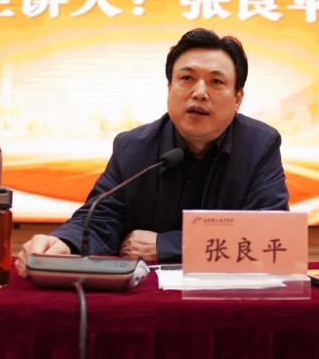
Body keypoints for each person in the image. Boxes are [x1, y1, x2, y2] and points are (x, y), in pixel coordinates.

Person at [15, 28, 289, 277]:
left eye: (216, 82)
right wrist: (64, 243)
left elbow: (272, 235)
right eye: (187, 78)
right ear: (169, 87)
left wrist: (166, 245)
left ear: (238, 98)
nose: (199, 92)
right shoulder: (133, 147)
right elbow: (100, 219)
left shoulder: (260, 146)